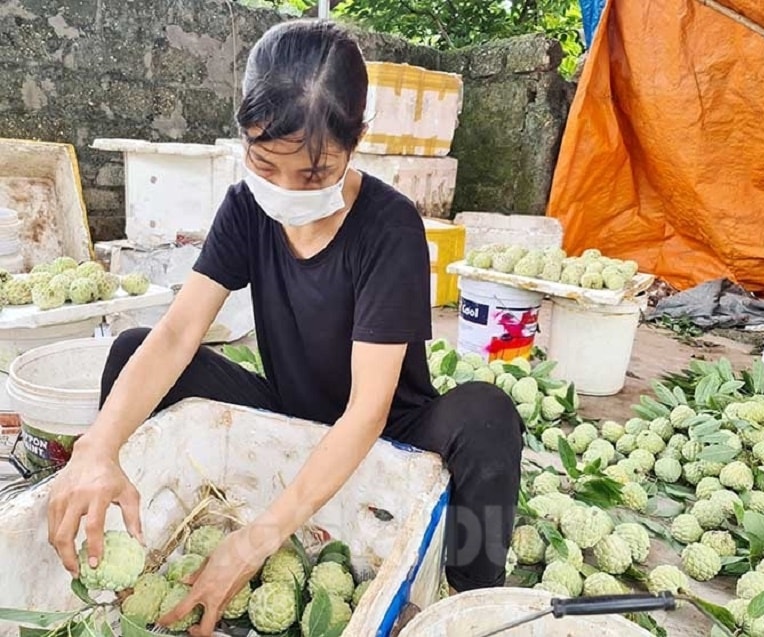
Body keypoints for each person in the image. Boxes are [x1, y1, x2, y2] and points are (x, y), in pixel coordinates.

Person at [46, 19, 523, 636]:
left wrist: (258, 539)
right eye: (265, 163)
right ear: (245, 134)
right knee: (135, 349)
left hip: (390, 427)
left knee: (488, 416)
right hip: (288, 408)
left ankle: (469, 601)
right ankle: (130, 532)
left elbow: (367, 411)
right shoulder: (247, 206)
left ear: (357, 142)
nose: (286, 189)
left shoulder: (390, 228)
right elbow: (176, 335)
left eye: (315, 174)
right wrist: (97, 448)